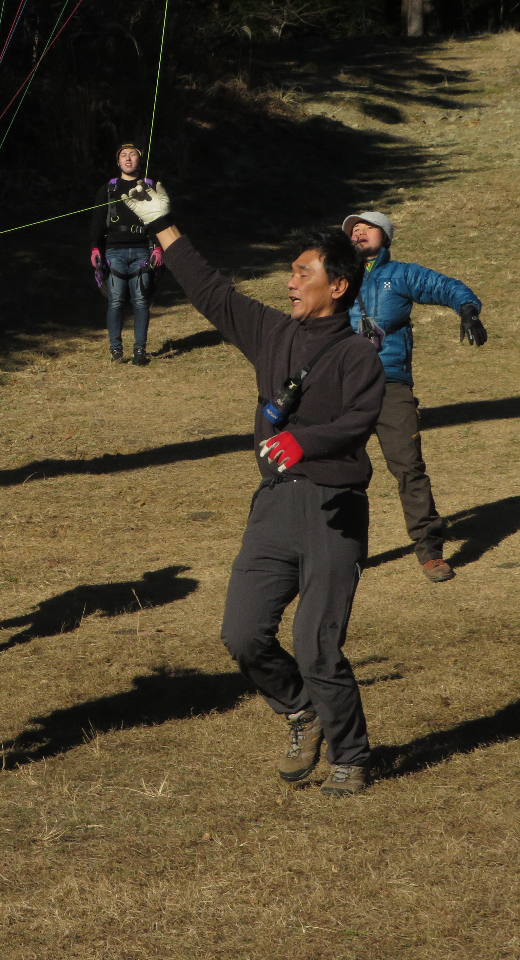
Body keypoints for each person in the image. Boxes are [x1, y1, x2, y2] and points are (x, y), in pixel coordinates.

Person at [122, 183, 385, 798]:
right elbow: (210, 290)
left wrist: (305, 442)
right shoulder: (270, 333)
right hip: (273, 507)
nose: (289, 282)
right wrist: (163, 223)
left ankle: (351, 758)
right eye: (290, 272)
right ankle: (300, 711)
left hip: (333, 510)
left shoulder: (358, 357)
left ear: (337, 286)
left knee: (317, 645)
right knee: (241, 634)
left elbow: (358, 423)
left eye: (302, 272)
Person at [342, 211, 485, 583]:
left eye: (366, 228)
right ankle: (344, 553)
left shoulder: (402, 274)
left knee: (409, 468)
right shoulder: (338, 276)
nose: (358, 233)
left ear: (384, 236)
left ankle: (429, 551)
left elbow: (448, 287)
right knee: (342, 471)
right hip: (343, 386)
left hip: (391, 385)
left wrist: (467, 309)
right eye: (353, 230)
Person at [90, 141, 161, 365]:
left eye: (132, 155)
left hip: (142, 250)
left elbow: (162, 219)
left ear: (140, 159)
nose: (128, 159)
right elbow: (97, 221)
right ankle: (116, 350)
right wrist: (94, 247)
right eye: (123, 155)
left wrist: (158, 246)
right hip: (114, 252)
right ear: (118, 161)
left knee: (141, 302)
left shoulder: (150, 186)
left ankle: (140, 350)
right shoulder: (108, 189)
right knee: (116, 302)